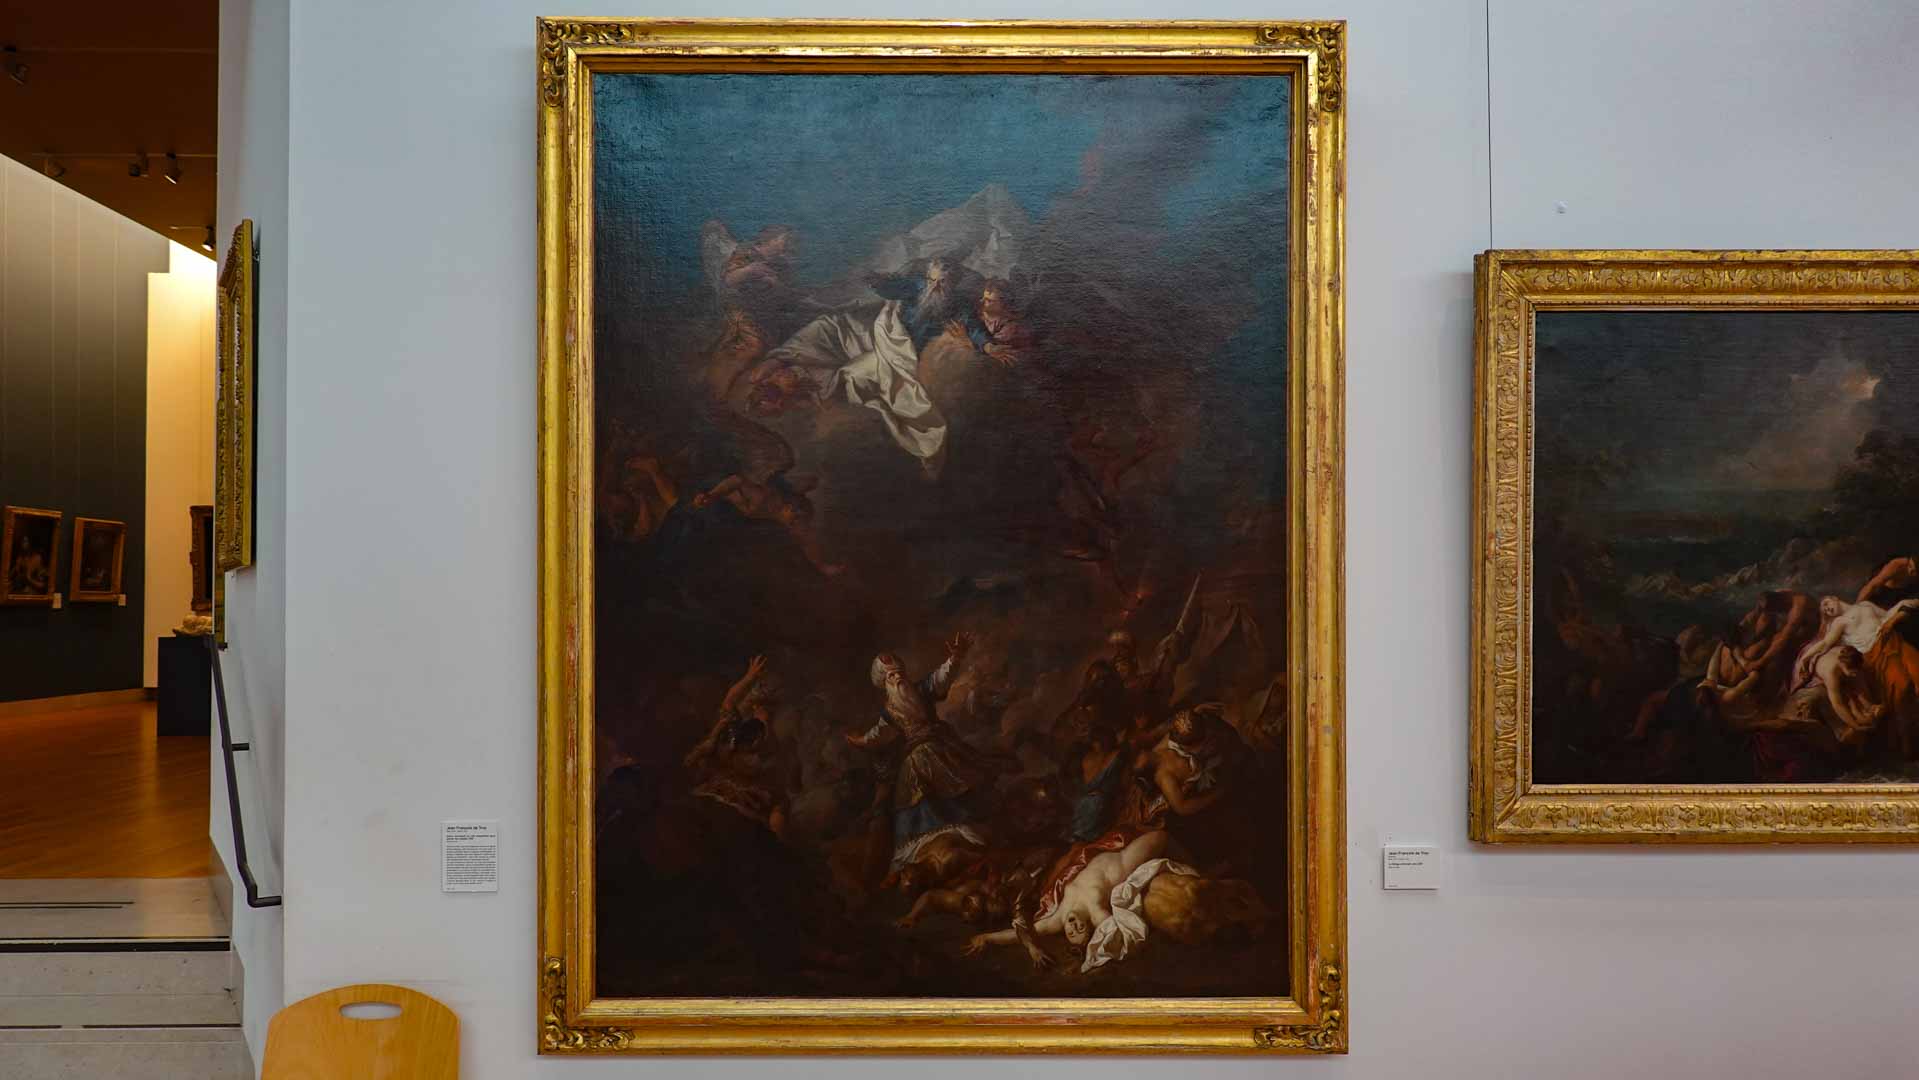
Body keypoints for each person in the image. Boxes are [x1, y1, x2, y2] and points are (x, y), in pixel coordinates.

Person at [762, 257, 984, 475]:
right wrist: (876, 281)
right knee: (834, 336)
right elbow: (893, 289)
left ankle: (925, 446)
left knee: (859, 376)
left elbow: (975, 330)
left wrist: (987, 345)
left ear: (953, 283)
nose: (934, 287)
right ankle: (798, 365)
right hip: (888, 337)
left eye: (942, 282)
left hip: (906, 355)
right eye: (932, 280)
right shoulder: (918, 286)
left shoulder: (959, 305)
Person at [845, 633, 1000, 867]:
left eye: (900, 672)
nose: (898, 677)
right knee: (910, 787)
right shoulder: (889, 713)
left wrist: (955, 658)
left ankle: (972, 825)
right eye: (891, 675)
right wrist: (860, 742)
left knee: (962, 776)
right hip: (914, 753)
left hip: (939, 743)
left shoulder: (921, 690)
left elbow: (941, 677)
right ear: (884, 683)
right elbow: (877, 735)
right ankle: (927, 836)